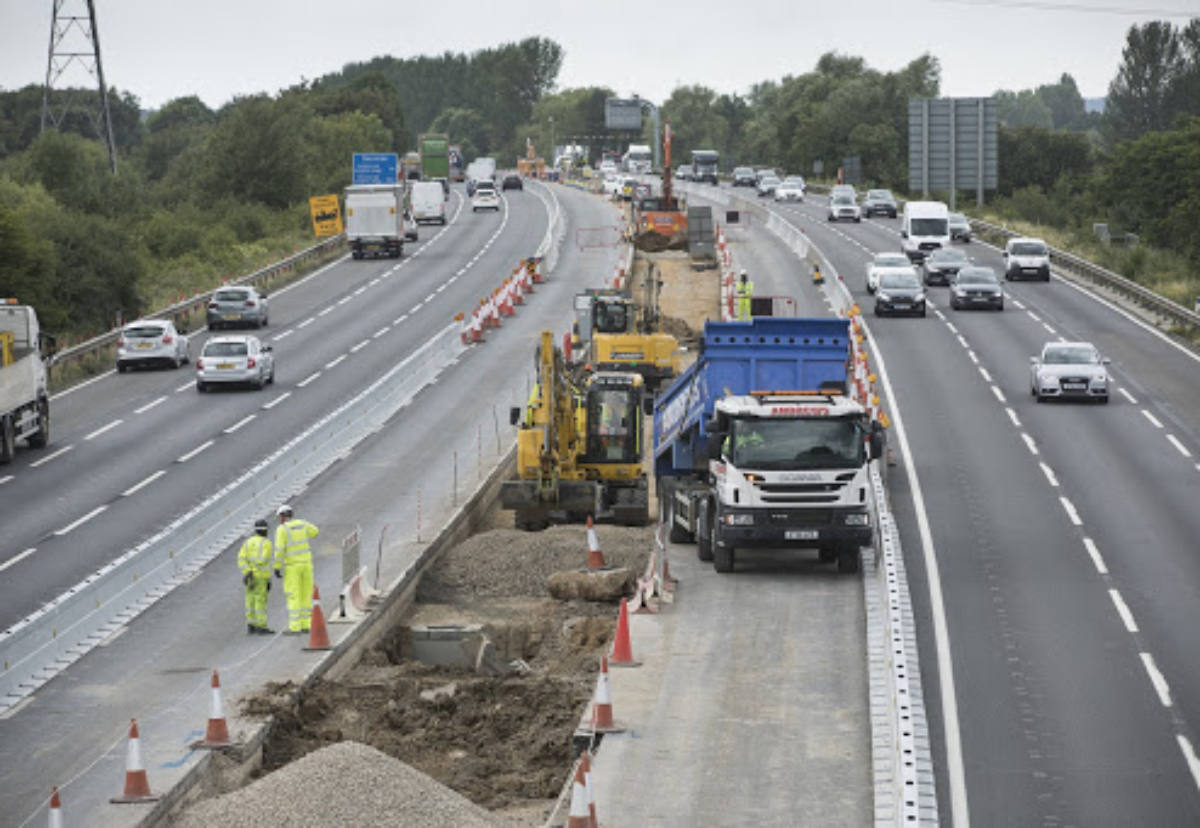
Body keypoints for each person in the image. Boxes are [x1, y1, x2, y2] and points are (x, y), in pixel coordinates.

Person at [274, 505, 319, 634]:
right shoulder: (302, 524)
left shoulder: (282, 529)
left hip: (293, 567)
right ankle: (307, 624)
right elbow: (315, 532)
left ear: (282, 517)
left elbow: (279, 551)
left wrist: (277, 567)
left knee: (293, 595)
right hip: (307, 565)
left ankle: (295, 627)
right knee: (306, 594)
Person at [238, 519, 274, 635]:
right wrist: (268, 579)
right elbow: (263, 560)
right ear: (265, 531)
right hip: (261, 577)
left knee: (250, 600)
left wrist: (247, 571)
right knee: (260, 601)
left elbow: (241, 558)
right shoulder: (266, 543)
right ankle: (261, 626)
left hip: (249, 577)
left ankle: (251, 625)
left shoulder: (248, 542)